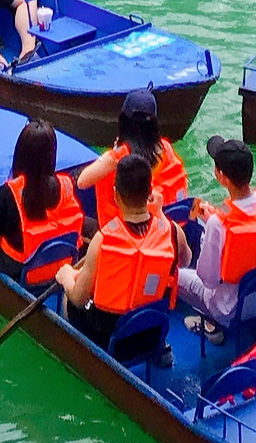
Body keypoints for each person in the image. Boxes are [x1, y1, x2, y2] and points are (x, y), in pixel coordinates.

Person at [57, 149, 190, 348]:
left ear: (115, 194)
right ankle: (161, 351)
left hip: (109, 336)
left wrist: (66, 276)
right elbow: (186, 260)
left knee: (67, 299)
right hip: (151, 333)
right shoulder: (173, 232)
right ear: (150, 191)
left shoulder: (102, 240)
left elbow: (79, 297)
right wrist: (160, 214)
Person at [178, 134, 256, 328]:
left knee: (175, 275)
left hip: (227, 311)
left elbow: (208, 280)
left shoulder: (217, 223)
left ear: (221, 176)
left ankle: (209, 325)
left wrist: (207, 233)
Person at [0, 116, 85, 286]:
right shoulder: (66, 184)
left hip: (19, 277)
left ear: (20, 153)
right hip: (61, 269)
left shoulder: (8, 193)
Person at [76, 86, 189, 210]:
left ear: (124, 121)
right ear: (154, 123)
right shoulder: (165, 147)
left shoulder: (117, 156)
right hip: (167, 218)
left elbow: (82, 182)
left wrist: (113, 152)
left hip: (124, 226)